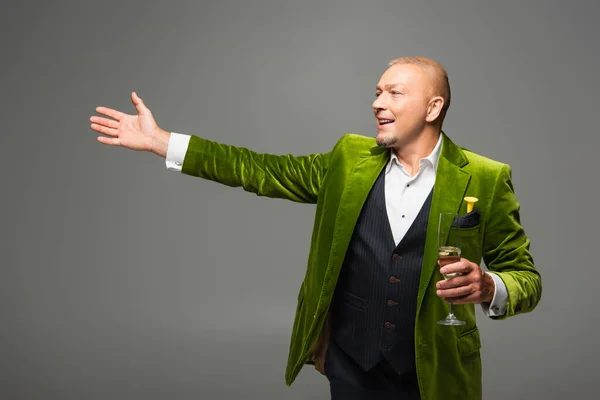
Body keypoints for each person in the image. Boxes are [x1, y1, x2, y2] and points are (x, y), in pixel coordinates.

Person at [89, 56, 541, 400]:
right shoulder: (348, 159)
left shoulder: (485, 177)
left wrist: (489, 286)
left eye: (394, 93)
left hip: (434, 373)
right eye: (377, 92)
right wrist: (161, 141)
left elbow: (526, 277)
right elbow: (260, 170)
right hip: (351, 364)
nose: (377, 102)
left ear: (433, 106)